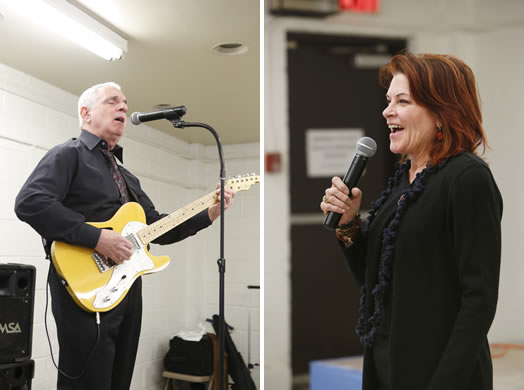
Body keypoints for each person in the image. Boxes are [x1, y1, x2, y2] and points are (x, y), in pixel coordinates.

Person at [14, 82, 235, 390]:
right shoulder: (68, 154)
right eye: (113, 102)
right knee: (88, 381)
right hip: (84, 286)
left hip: (127, 289)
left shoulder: (125, 175)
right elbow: (30, 202)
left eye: (125, 103)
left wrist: (209, 212)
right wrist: (97, 238)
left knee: (119, 379)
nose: (123, 108)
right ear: (85, 113)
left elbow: (155, 227)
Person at [320, 52, 502, 390]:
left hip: (441, 371)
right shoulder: (404, 180)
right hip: (389, 361)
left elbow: (478, 300)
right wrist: (348, 223)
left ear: (442, 112)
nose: (387, 111)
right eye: (389, 100)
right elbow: (376, 282)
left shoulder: (467, 179)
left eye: (402, 101)